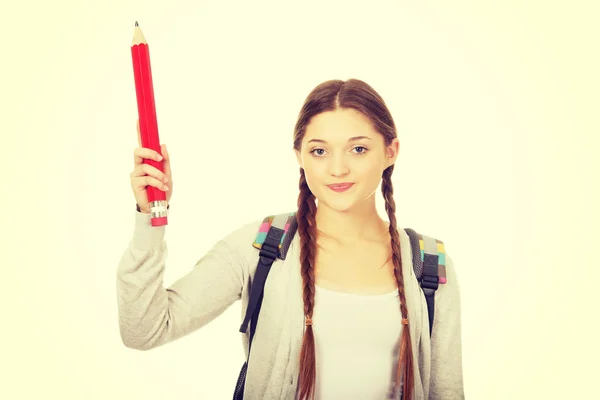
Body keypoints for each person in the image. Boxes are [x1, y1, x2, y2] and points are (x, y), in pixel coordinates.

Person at [117, 78, 464, 400]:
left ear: (391, 151)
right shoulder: (262, 246)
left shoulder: (429, 264)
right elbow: (144, 330)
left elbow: (446, 392)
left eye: (358, 149)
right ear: (299, 155)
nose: (338, 168)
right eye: (319, 151)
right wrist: (150, 217)